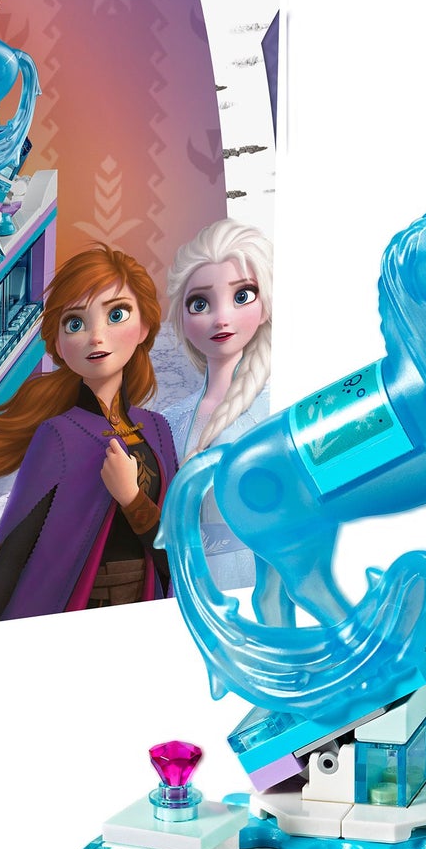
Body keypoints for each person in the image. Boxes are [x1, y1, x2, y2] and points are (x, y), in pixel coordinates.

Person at [0, 246, 178, 623]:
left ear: (145, 326)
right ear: (59, 346)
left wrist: (132, 499)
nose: (97, 337)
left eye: (116, 314)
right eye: (75, 323)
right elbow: (12, 552)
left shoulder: (158, 429)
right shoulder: (59, 436)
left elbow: (176, 554)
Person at [162, 219, 272, 588]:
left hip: (258, 575)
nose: (221, 318)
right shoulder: (170, 419)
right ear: (181, 316)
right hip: (187, 580)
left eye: (242, 296)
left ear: (266, 304)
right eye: (200, 303)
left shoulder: (275, 407)